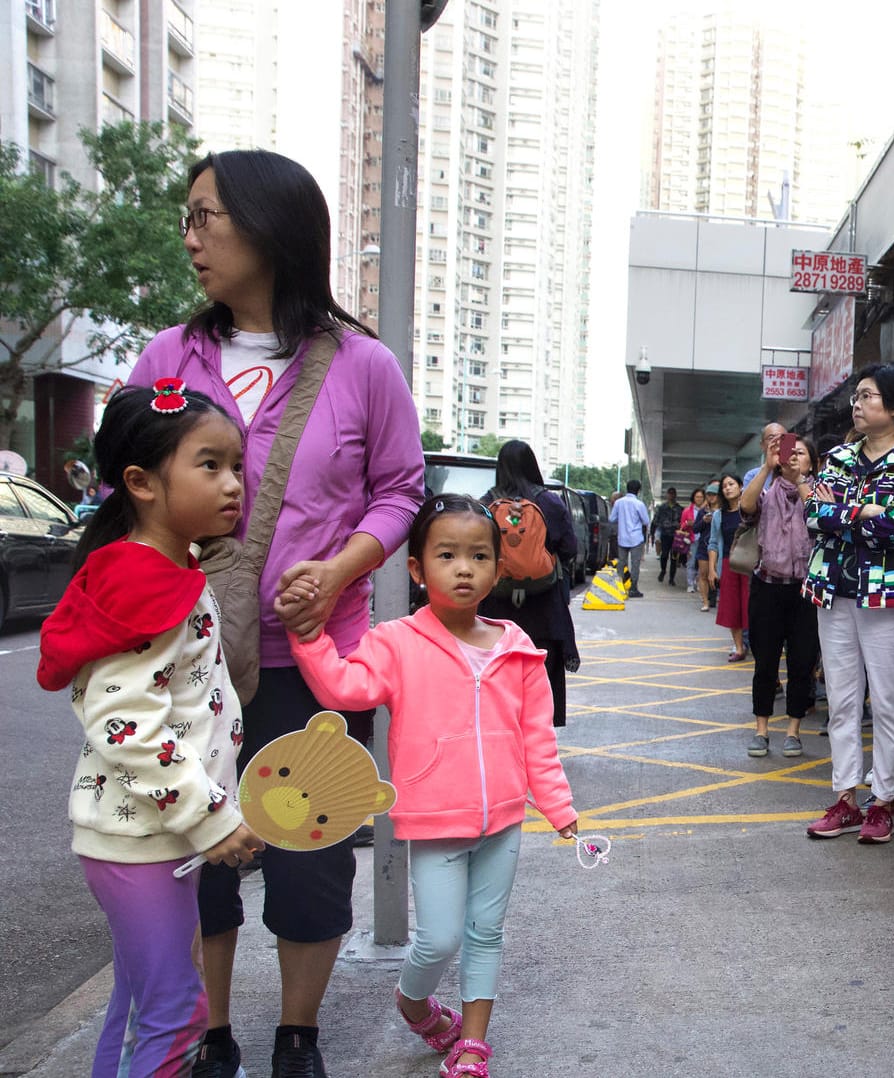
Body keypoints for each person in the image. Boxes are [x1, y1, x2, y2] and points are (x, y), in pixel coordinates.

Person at [127, 148, 424, 1078]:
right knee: (195, 846)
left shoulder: (362, 364)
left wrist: (338, 570)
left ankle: (297, 1032)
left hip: (314, 665)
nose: (192, 237)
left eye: (206, 217)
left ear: (270, 227)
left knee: (308, 850)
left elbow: (399, 490)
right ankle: (210, 1032)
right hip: (184, 664)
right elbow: (127, 486)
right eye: (190, 218)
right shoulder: (169, 359)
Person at [284, 495, 577, 1078]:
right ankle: (413, 1001)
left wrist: (558, 805)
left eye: (478, 556)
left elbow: (537, 739)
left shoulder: (517, 648)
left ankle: (472, 1043)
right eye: (447, 555)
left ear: (499, 568)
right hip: (434, 821)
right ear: (418, 569)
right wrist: (308, 639)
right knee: (439, 939)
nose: (464, 568)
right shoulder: (396, 641)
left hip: (504, 822)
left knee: (486, 932)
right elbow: (344, 688)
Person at [37, 384, 265, 1078]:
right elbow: (127, 726)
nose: (233, 485)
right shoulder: (143, 582)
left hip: (149, 835)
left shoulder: (168, 571)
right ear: (140, 482)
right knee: (176, 1015)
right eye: (210, 466)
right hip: (143, 838)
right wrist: (208, 816)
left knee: (140, 1007)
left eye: (236, 465)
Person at [802, 364, 894, 846]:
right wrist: (865, 510)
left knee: (890, 702)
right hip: (834, 590)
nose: (857, 404)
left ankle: (882, 802)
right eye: (856, 396)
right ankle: (845, 799)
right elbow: (815, 515)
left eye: (868, 397)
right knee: (841, 701)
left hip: (890, 595)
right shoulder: (836, 457)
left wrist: (845, 513)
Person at [478, 440, 579, 727]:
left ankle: (500, 733)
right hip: (544, 606)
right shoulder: (549, 502)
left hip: (495, 608)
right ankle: (536, 737)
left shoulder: (486, 503)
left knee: (497, 673)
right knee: (541, 676)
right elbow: (570, 548)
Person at [741, 435, 820, 757]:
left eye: (800, 454)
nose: (792, 458)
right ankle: (761, 730)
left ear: (811, 463)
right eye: (789, 453)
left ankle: (793, 730)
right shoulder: (767, 491)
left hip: (804, 590)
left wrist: (799, 479)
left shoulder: (818, 490)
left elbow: (819, 514)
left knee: (802, 663)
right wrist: (767, 466)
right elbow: (745, 506)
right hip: (767, 586)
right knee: (765, 662)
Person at [709, 473, 751, 660]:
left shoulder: (750, 509)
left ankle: (758, 646)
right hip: (729, 563)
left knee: (751, 606)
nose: (727, 488)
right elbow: (712, 543)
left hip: (751, 564)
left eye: (731, 484)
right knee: (732, 607)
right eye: (724, 486)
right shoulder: (718, 516)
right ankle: (739, 648)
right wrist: (712, 570)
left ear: (741, 486)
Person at [610, 479, 650, 598]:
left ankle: (618, 587)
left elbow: (612, 519)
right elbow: (646, 521)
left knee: (621, 563)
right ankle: (633, 589)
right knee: (635, 564)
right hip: (636, 538)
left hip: (622, 538)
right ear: (638, 490)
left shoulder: (618, 503)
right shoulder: (639, 504)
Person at [692, 486, 717, 610]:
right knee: (703, 574)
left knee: (719, 574)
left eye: (714, 494)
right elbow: (695, 529)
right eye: (709, 494)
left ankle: (716, 599)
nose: (711, 497)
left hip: (719, 547)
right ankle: (705, 601)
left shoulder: (724, 510)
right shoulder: (703, 511)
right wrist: (703, 521)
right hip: (704, 546)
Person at [653, 486, 682, 584]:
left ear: (675, 495)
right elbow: (656, 520)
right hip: (665, 534)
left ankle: (671, 578)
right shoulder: (662, 507)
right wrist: (662, 525)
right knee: (664, 555)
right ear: (667, 495)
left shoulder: (679, 508)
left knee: (674, 557)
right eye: (669, 493)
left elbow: (682, 522)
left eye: (673, 493)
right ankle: (663, 570)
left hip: (675, 536)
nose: (671, 495)